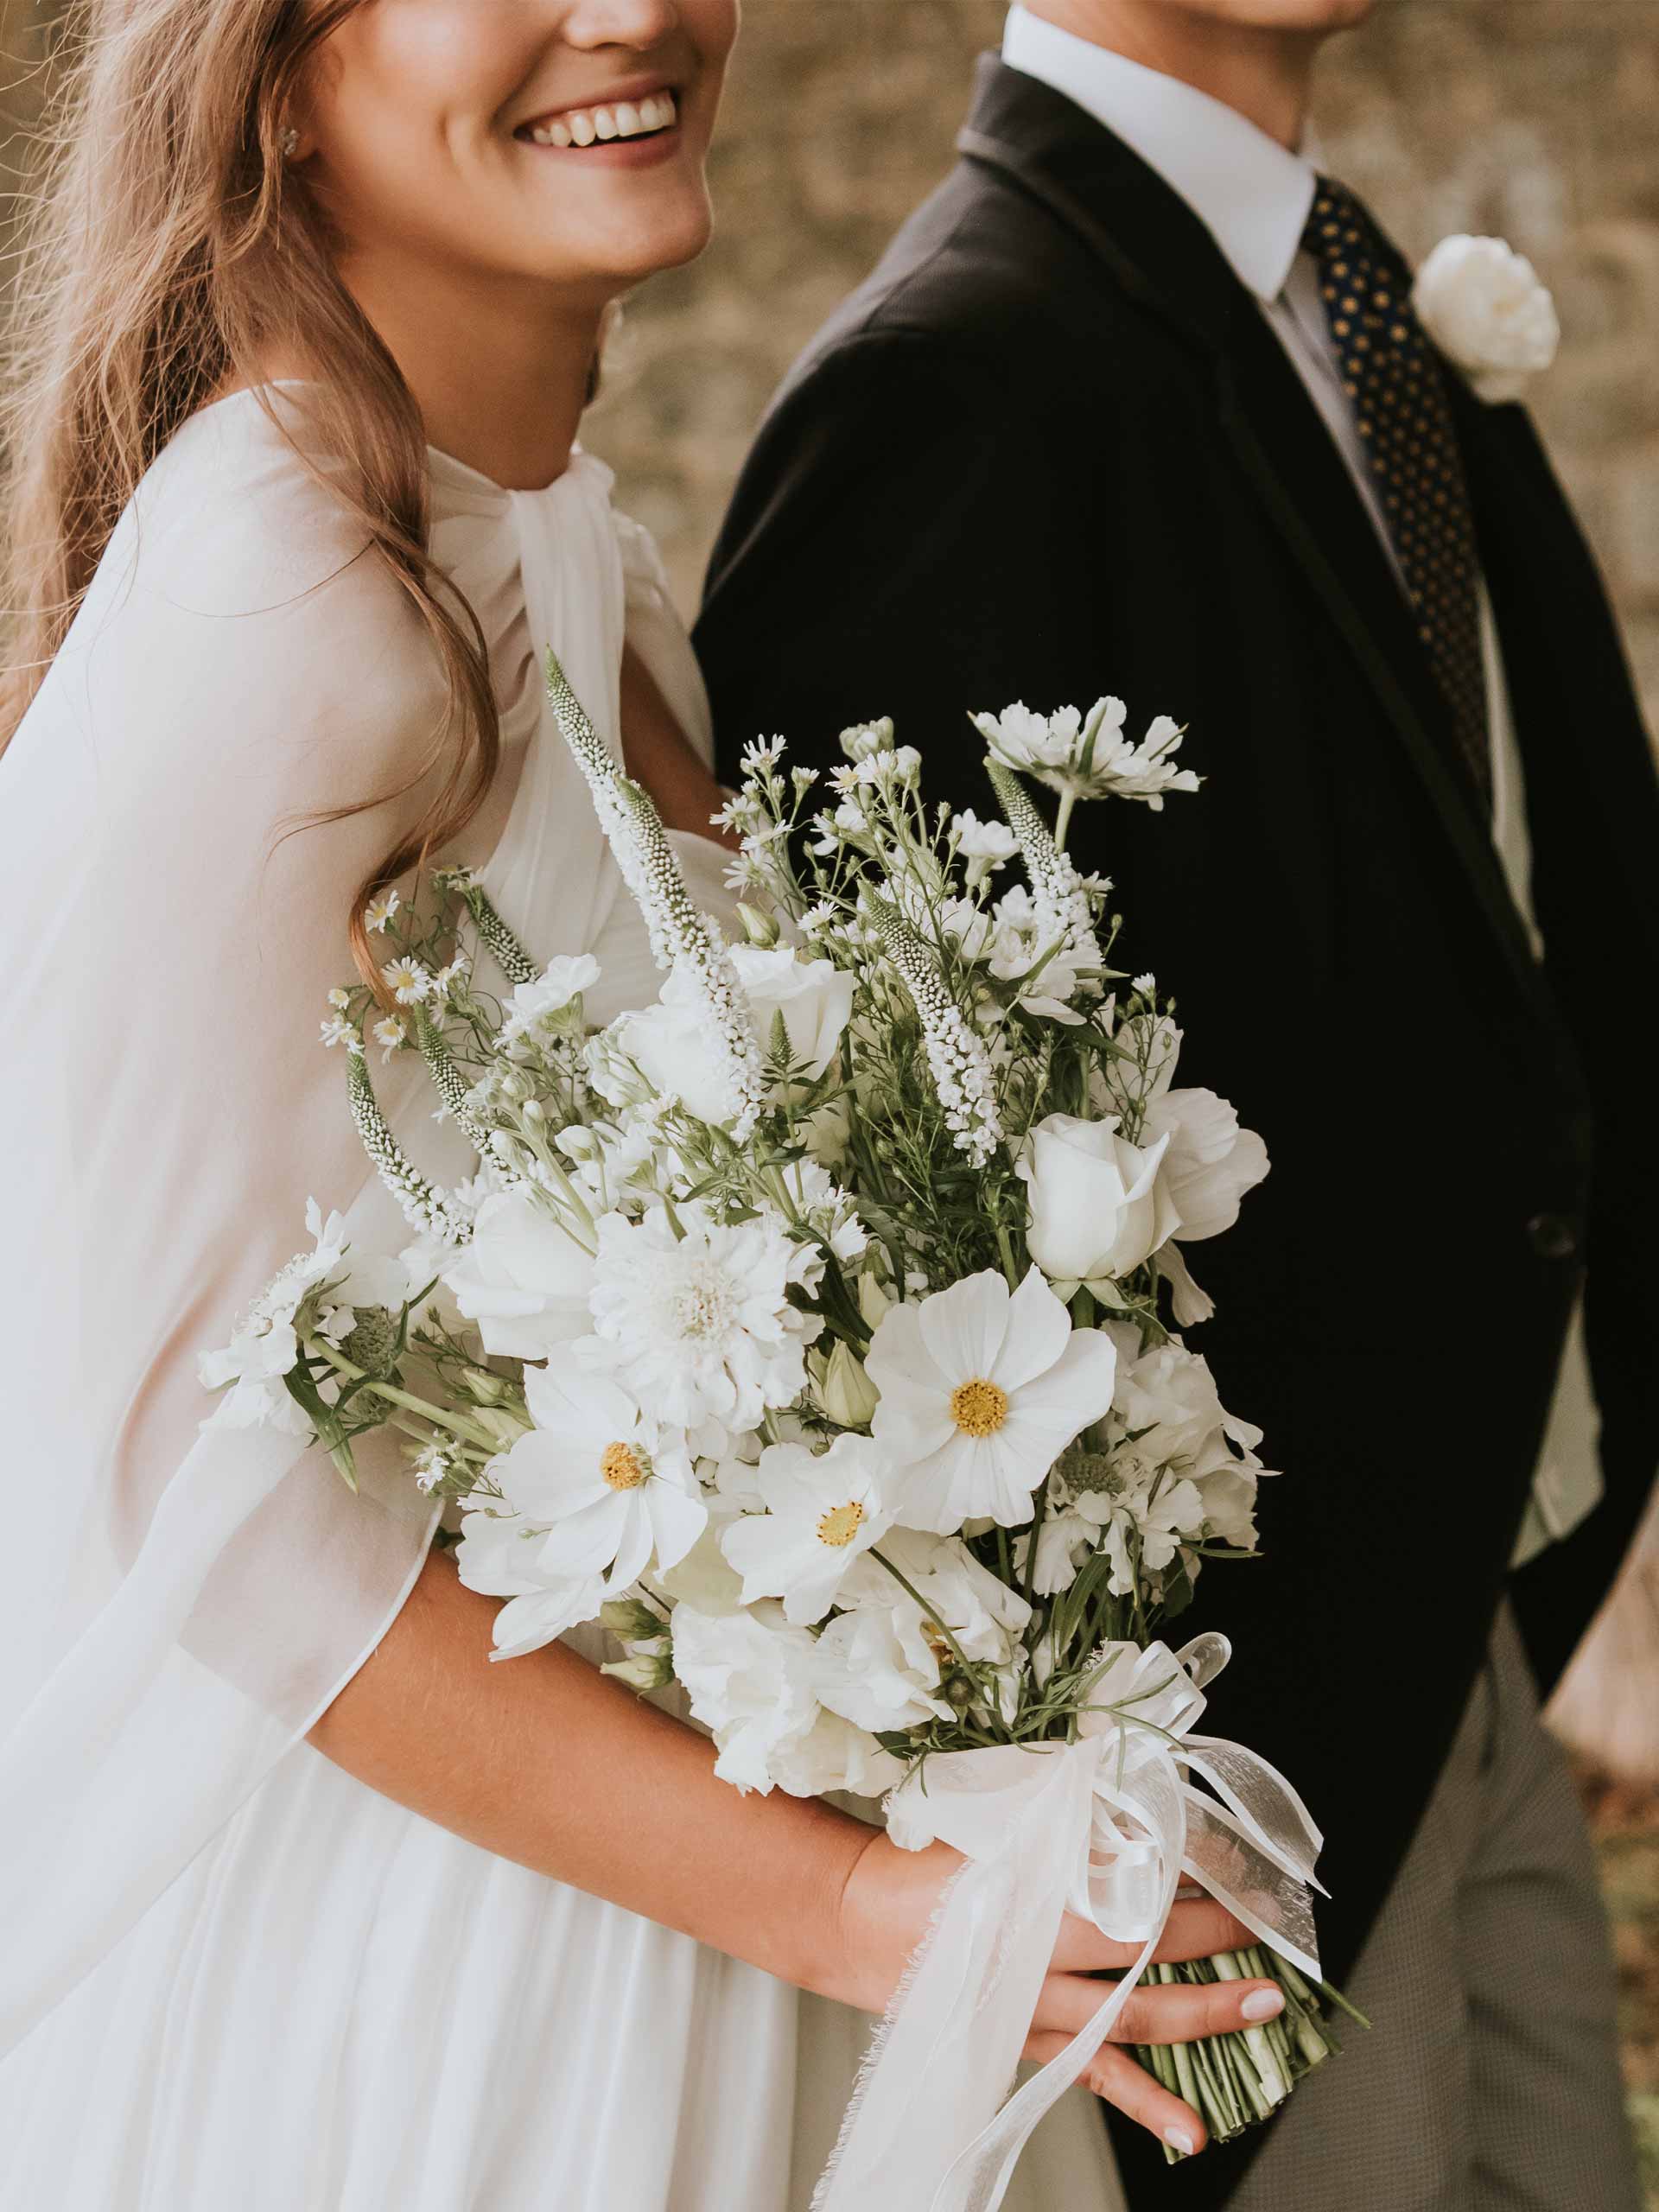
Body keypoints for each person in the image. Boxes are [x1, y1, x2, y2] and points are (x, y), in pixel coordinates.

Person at [0, 4, 1280, 2206]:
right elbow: (183, 1471)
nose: (641, 12)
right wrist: (844, 1908)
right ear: (276, 70)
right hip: (461, 1982)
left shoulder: (564, 547)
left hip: (730, 1889)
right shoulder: (282, 586)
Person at [695, 3, 1659, 2207]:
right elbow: (866, 1197)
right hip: (1235, 1760)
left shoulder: (1358, 305)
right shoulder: (948, 385)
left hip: (1480, 1614)